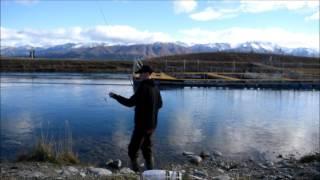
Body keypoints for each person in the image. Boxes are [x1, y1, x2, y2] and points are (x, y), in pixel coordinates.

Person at [109, 65, 162, 172]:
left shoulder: (143, 87)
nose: (139, 75)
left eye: (141, 73)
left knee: (132, 150)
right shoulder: (156, 86)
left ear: (147, 73)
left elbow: (129, 103)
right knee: (147, 148)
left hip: (142, 125)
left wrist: (115, 96)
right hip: (152, 125)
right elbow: (160, 104)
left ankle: (136, 173)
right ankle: (150, 172)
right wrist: (147, 108)